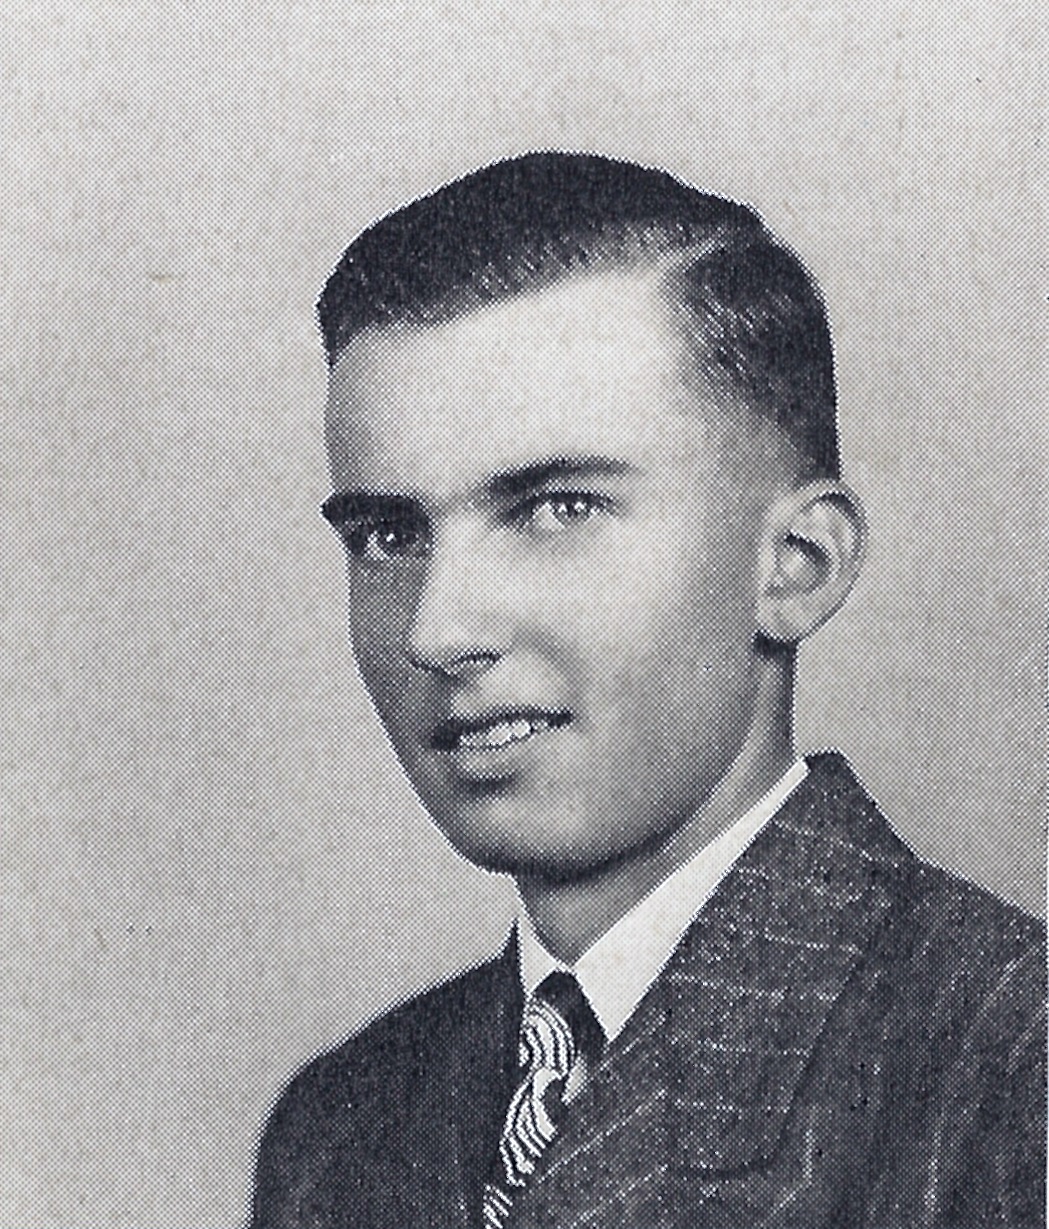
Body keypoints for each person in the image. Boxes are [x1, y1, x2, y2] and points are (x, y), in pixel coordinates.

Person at [250, 153, 1045, 1228]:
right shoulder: (341, 1128)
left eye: (557, 508)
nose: (437, 631)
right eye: (388, 535)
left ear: (796, 565)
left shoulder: (1008, 1074)